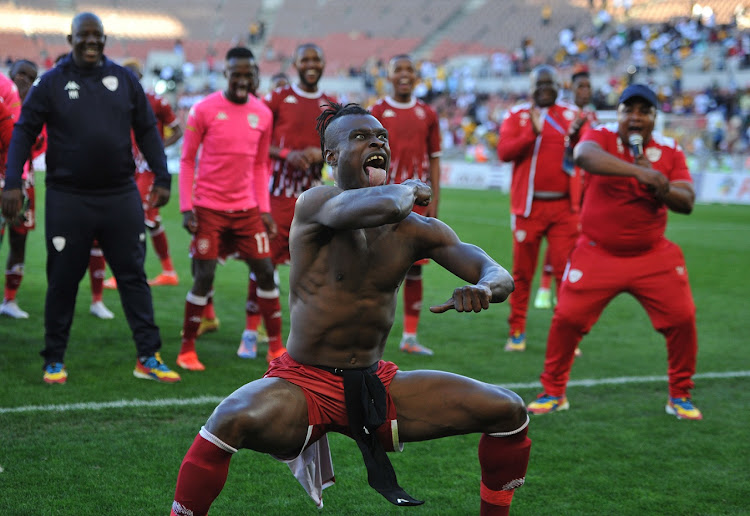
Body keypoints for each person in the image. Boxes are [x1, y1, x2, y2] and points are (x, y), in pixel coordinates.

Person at [169, 102, 530, 516]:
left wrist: (484, 288)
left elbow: (498, 273)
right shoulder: (317, 204)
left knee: (508, 410)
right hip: (304, 384)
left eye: (381, 137)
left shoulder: (413, 230)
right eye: (360, 137)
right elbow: (387, 204)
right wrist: (411, 189)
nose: (377, 142)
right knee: (228, 420)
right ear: (331, 157)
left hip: (374, 381)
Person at [1, 12, 181, 384]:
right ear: (71, 38)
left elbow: (148, 130)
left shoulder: (124, 79)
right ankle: (54, 359)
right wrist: (13, 183)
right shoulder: (51, 82)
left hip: (120, 195)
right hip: (69, 197)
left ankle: (148, 356)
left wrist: (162, 176)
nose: (90, 42)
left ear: (104, 38)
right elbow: (22, 132)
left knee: (133, 276)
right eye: (83, 36)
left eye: (96, 36)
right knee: (63, 279)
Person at [527, 84, 702, 420]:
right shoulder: (602, 134)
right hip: (597, 252)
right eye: (629, 110)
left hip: (652, 255)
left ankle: (680, 395)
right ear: (619, 113)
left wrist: (661, 186)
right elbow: (583, 156)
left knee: (682, 319)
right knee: (567, 319)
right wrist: (642, 172)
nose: (635, 117)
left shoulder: (669, 148)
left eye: (644, 111)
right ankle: (553, 392)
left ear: (654, 117)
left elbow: (687, 201)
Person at [176, 46, 282, 370]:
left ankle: (277, 348)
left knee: (265, 270)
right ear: (225, 74)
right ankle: (187, 349)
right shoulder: (203, 110)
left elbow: (261, 164)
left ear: (254, 76)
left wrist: (263, 208)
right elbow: (186, 160)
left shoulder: (263, 113)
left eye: (247, 74)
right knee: (204, 276)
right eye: (235, 73)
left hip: (247, 209)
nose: (241, 79)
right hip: (208, 208)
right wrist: (186, 207)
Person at [237, 43, 335, 357]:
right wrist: (286, 154)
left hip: (315, 199)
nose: (310, 64)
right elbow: (253, 137)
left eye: (315, 60)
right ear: (295, 63)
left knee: (313, 271)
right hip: (277, 196)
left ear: (322, 64)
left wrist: (321, 153)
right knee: (263, 266)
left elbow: (340, 149)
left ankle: (303, 336)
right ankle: (251, 332)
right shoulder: (278, 98)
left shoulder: (331, 105)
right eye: (304, 59)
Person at [497, 64, 582, 352]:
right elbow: (504, 152)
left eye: (550, 84)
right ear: (530, 87)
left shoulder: (572, 116)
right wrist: (531, 134)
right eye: (539, 84)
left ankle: (567, 336)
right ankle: (517, 331)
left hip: (564, 209)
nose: (545, 89)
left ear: (559, 86)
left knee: (565, 272)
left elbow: (586, 155)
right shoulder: (517, 115)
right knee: (522, 274)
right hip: (528, 208)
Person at [370, 54, 441, 356]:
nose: (403, 74)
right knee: (376, 268)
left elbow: (435, 160)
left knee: (415, 269)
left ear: (416, 76)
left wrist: (435, 199)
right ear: (388, 75)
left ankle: (409, 337)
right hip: (384, 201)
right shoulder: (377, 110)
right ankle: (371, 334)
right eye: (397, 69)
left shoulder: (428, 113)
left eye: (409, 70)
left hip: (418, 202)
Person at [103, 58, 183, 289]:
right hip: (127, 167)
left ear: (138, 78)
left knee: (134, 218)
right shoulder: (115, 100)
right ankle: (168, 271)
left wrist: (156, 150)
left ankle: (125, 274)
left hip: (148, 168)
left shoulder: (155, 101)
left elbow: (177, 131)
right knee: (151, 221)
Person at [534, 65, 596, 312]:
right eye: (581, 86)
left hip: (582, 190)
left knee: (572, 245)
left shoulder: (591, 117)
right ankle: (545, 287)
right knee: (558, 243)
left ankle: (564, 290)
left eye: (588, 87)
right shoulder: (563, 116)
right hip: (565, 191)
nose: (585, 91)